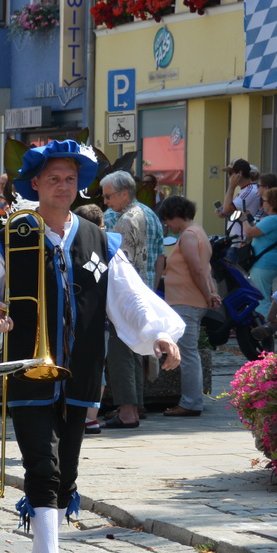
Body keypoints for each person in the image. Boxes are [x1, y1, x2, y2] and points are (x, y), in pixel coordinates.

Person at [0, 141, 184, 553]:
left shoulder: (99, 239)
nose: (62, 186)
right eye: (52, 178)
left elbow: (130, 297)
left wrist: (160, 334)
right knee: (43, 465)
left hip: (81, 372)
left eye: (69, 178)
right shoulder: (13, 237)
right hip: (26, 369)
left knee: (68, 472)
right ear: (35, 184)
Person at [100, 171, 165, 429]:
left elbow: (119, 263)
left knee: (121, 352)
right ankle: (136, 406)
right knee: (135, 349)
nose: (105, 201)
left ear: (123, 193)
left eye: (107, 196)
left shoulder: (126, 220)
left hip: (127, 295)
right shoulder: (149, 213)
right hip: (144, 291)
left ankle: (127, 412)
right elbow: (159, 257)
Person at [157, 195, 218, 418]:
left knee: (187, 353)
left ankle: (191, 402)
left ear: (176, 215)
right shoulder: (198, 232)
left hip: (186, 300)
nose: (167, 225)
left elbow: (197, 270)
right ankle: (191, 400)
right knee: (189, 352)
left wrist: (208, 294)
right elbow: (205, 268)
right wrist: (211, 292)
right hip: (190, 299)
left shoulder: (189, 236)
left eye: (168, 219)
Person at [244, 188, 277, 316]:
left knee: (261, 299)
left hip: (263, 263)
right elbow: (258, 229)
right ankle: (269, 322)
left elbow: (250, 232)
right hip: (270, 261)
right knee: (266, 295)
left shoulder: (273, 220)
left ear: (271, 203)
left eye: (263, 201)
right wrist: (248, 218)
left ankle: (264, 328)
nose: (261, 203)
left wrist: (243, 220)